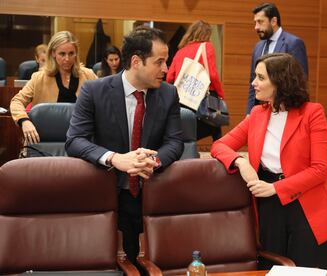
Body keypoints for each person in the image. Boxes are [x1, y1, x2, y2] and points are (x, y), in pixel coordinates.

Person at [211, 53, 327, 276]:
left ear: (280, 81)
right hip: (269, 205)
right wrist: (241, 162)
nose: (253, 83)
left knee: (308, 269)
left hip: (307, 202)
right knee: (273, 266)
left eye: (260, 78)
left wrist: (276, 188)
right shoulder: (257, 114)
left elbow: (320, 169)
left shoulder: (312, 113)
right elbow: (219, 146)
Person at [65, 26, 184, 272]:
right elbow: (75, 140)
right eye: (160, 62)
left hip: (152, 190)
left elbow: (175, 142)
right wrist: (115, 158)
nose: (166, 69)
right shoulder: (94, 91)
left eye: (167, 61)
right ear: (136, 61)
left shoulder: (168, 94)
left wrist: (154, 161)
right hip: (109, 192)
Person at [10, 31, 97, 144]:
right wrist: (24, 121)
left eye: (71, 53)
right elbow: (16, 101)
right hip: (46, 139)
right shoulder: (39, 78)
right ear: (53, 54)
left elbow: (106, 100)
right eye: (62, 54)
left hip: (82, 139)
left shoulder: (88, 75)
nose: (67, 58)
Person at [167, 20, 224, 141]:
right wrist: (220, 94)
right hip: (203, 93)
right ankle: (220, 153)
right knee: (215, 125)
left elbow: (170, 77)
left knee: (189, 124)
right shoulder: (207, 47)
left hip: (183, 96)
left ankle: (186, 147)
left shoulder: (180, 51)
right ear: (206, 34)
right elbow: (212, 74)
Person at [246, 2, 308, 114]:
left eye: (260, 22)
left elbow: (301, 80)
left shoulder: (293, 44)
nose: (256, 27)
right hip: (260, 112)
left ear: (274, 21)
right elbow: (252, 80)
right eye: (255, 22)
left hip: (285, 110)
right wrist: (249, 113)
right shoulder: (258, 46)